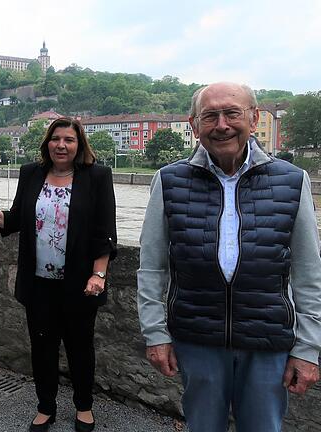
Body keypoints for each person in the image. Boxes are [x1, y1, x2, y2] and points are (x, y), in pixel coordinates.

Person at [137, 82, 321, 431]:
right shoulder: (168, 180)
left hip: (267, 341)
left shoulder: (293, 180)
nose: (221, 125)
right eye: (210, 116)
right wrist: (155, 333)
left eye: (232, 113)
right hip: (197, 339)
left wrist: (309, 347)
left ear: (253, 119)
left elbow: (309, 273)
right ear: (194, 124)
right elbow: (152, 266)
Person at [0, 117, 117, 432]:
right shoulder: (31, 173)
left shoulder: (97, 177)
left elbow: (105, 231)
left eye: (69, 140)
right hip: (38, 284)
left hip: (80, 284)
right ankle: (45, 406)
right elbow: (17, 218)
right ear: (47, 142)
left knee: (81, 348)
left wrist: (99, 274)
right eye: (56, 139)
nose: (61, 145)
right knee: (42, 348)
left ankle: (83, 407)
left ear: (79, 145)